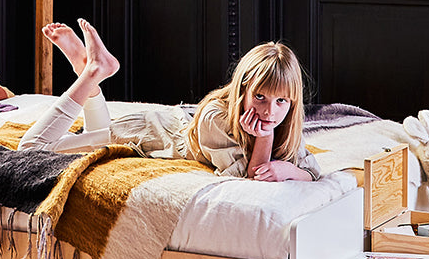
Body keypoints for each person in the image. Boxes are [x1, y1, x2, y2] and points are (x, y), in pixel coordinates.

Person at [17, 19, 319, 181]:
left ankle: (87, 69)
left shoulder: (285, 121)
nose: (269, 111)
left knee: (92, 134)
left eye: (282, 102)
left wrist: (290, 170)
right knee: (30, 150)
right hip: (145, 135)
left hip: (157, 128)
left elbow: (312, 171)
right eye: (260, 97)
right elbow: (252, 178)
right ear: (242, 89)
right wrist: (264, 141)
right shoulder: (216, 118)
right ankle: (91, 73)